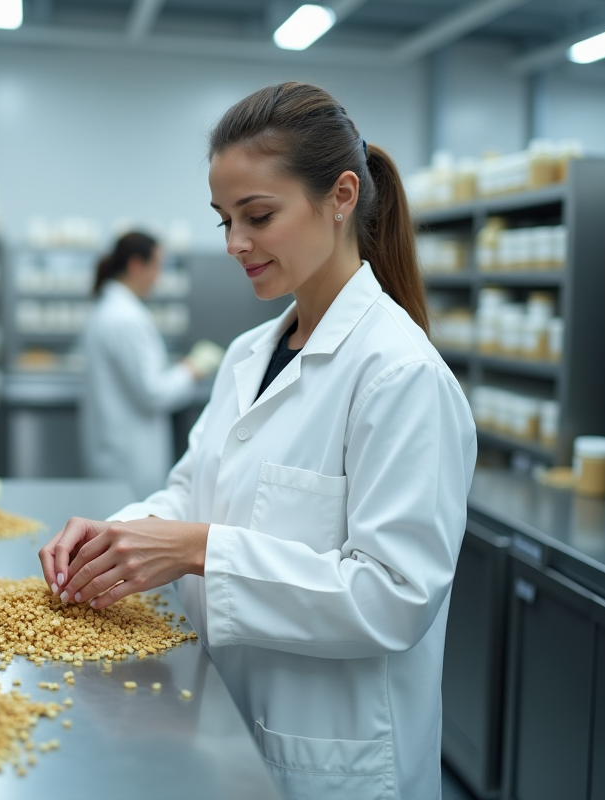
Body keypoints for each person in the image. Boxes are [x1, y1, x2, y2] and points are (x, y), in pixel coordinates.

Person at [41, 82, 476, 800]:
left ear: (340, 197)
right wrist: (118, 535)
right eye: (224, 221)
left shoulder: (400, 376)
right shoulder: (250, 354)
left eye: (258, 215)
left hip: (337, 758)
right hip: (226, 726)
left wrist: (196, 548)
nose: (236, 243)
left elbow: (395, 595)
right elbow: (191, 488)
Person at [78, 232, 222, 498]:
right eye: (157, 266)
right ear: (136, 265)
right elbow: (153, 394)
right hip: (130, 459)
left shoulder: (108, 309)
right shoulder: (126, 318)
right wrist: (191, 369)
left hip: (114, 450)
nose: (159, 276)